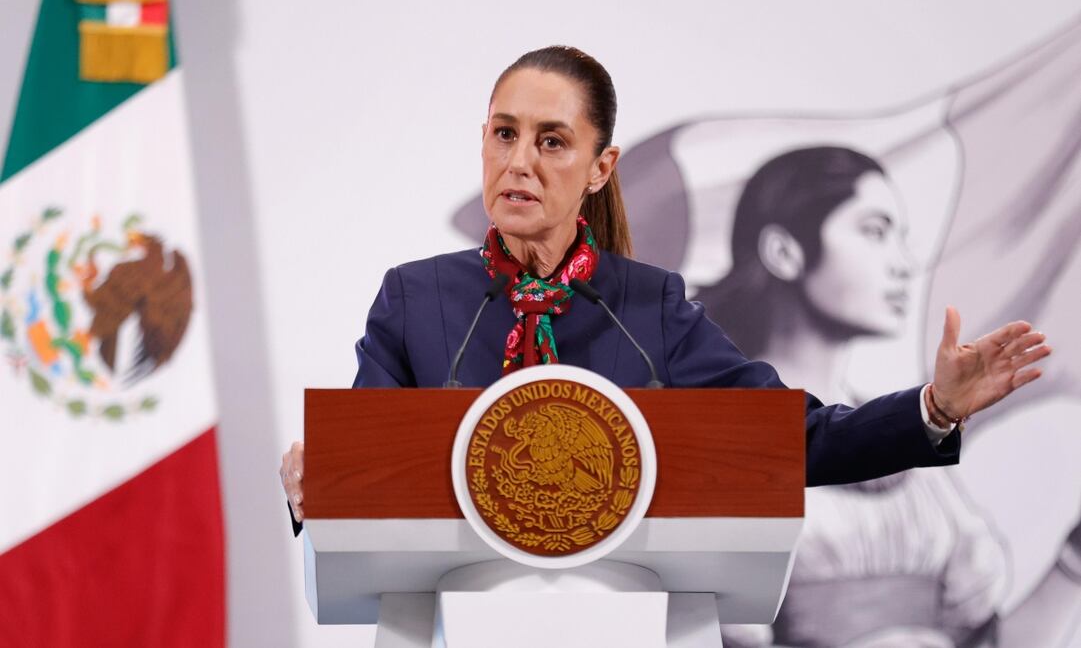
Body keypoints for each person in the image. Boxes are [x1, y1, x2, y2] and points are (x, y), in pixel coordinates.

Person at [280, 47, 1050, 542]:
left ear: (599, 167)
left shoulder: (651, 307)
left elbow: (796, 439)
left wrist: (934, 407)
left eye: (550, 141)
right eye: (502, 134)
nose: (518, 161)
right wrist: (317, 488)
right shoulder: (414, 299)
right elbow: (367, 482)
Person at [696, 146, 1080, 647]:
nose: (904, 263)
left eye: (901, 238)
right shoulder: (717, 443)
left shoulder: (908, 446)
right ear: (785, 252)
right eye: (875, 232)